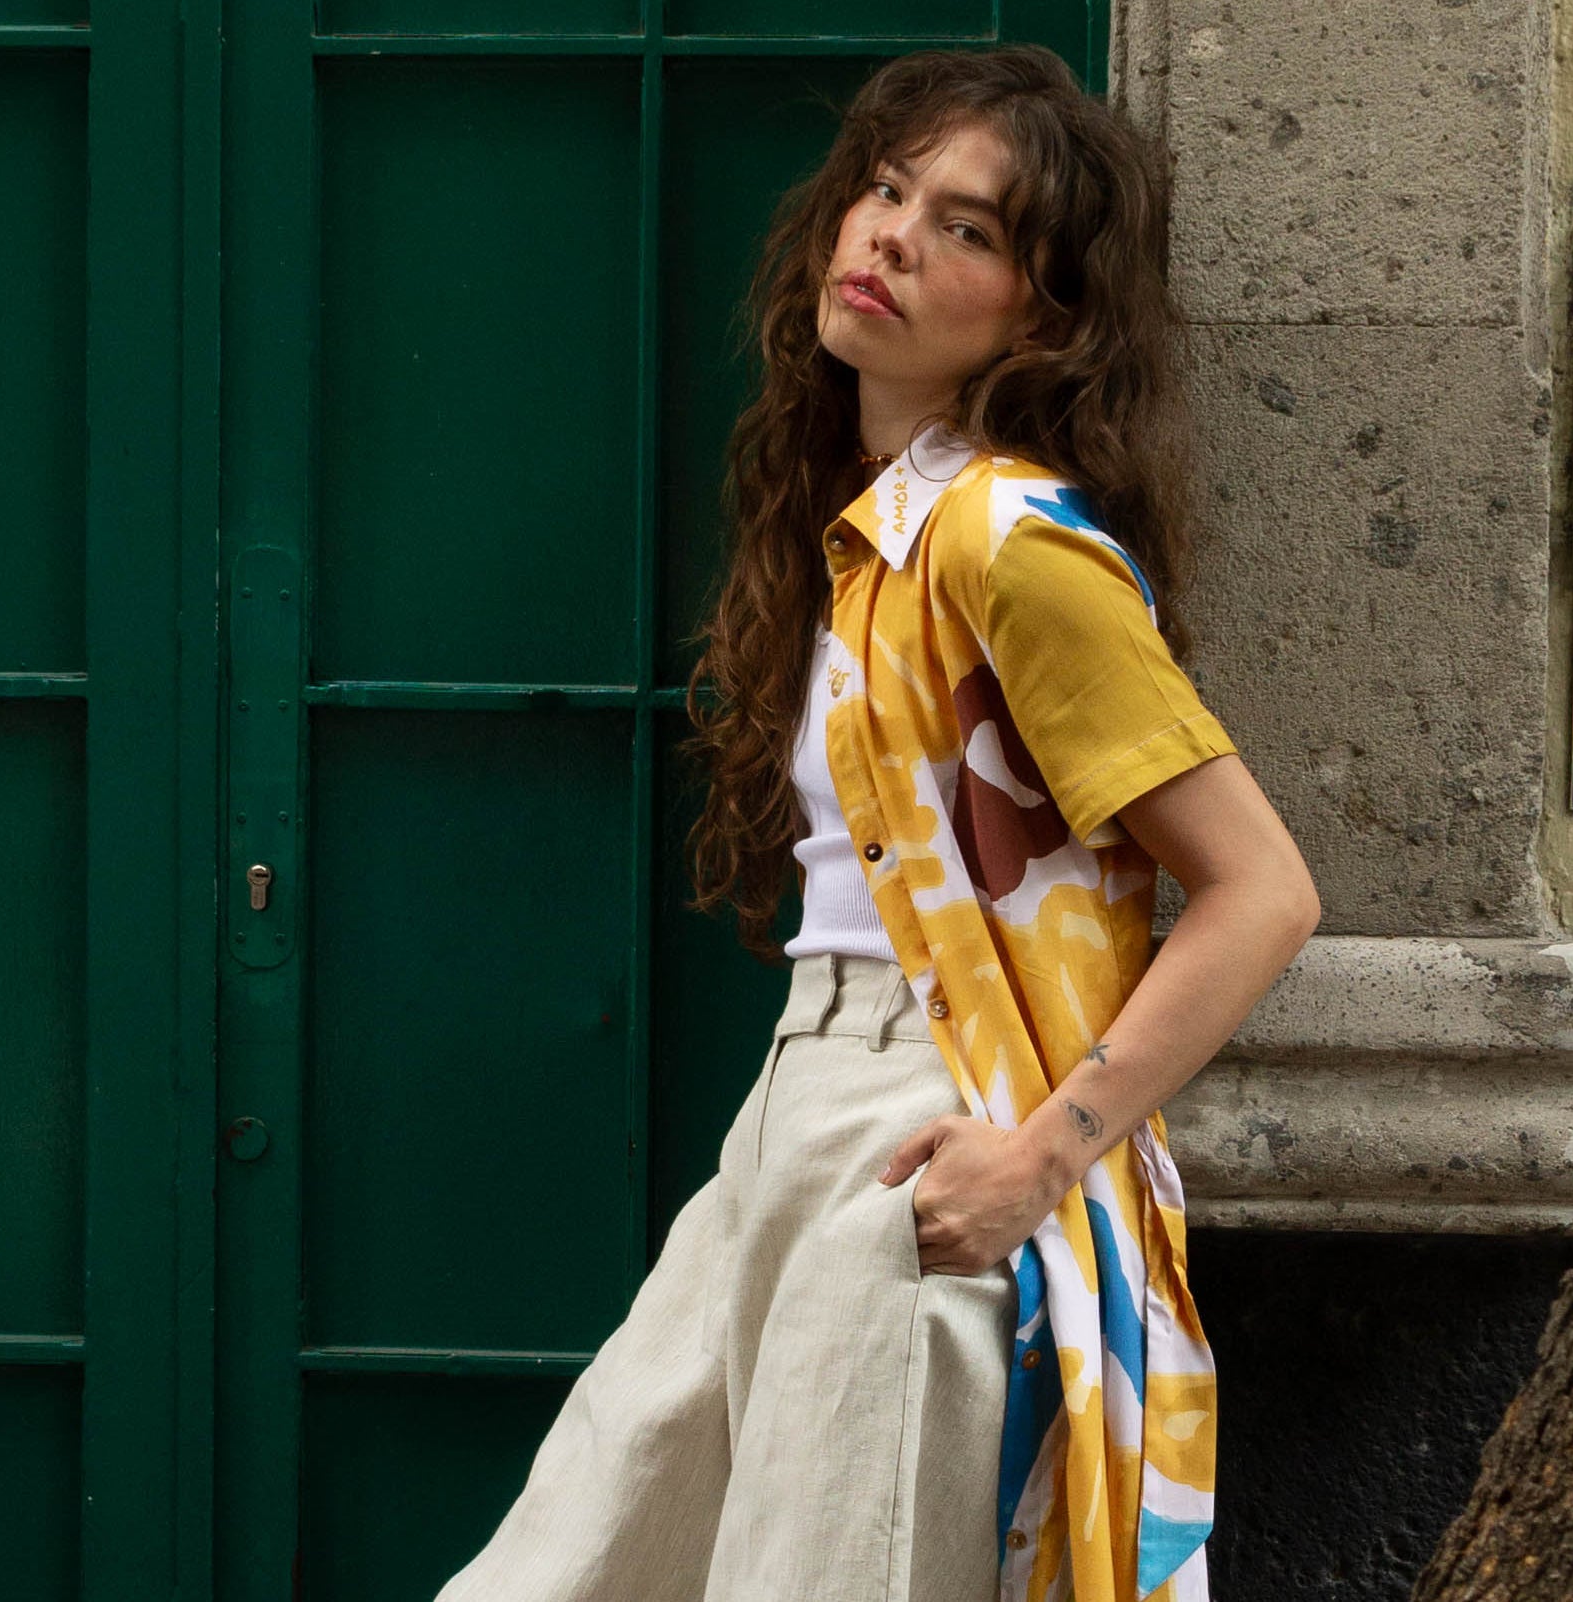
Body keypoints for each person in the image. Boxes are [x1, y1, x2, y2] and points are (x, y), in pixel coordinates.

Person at [432, 43, 1319, 1602]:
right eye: (889, 190)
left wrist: (1036, 1159)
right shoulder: (875, 533)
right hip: (803, 1099)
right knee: (579, 1556)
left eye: (966, 227)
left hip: (927, 1122)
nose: (893, 235)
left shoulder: (1010, 542)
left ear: (1044, 316)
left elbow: (1263, 889)